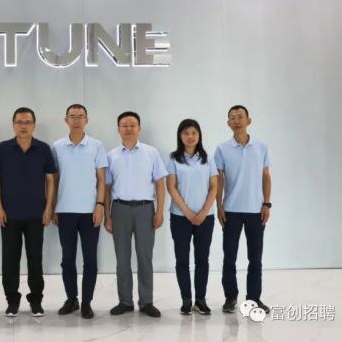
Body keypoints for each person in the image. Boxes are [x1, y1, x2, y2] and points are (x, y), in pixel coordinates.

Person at [0, 107, 56, 317]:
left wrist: (48, 208)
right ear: (13, 125)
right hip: (9, 215)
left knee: (35, 259)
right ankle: (12, 300)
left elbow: (51, 179)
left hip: (37, 215)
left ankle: (36, 300)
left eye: (27, 122)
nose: (23, 126)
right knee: (10, 259)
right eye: (19, 122)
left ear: (34, 125)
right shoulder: (3, 148)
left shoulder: (43, 149)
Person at [104, 111, 167, 318]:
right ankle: (125, 301)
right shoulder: (111, 156)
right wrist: (107, 215)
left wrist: (159, 211)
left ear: (139, 128)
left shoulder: (151, 153)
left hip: (145, 210)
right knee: (122, 259)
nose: (129, 128)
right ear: (118, 129)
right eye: (124, 125)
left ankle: (146, 301)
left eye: (132, 125)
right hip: (119, 209)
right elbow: (106, 188)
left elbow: (160, 183)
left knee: (145, 258)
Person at [51, 104, 107, 319]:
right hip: (65, 211)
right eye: (72, 116)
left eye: (80, 116)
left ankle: (86, 302)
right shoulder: (57, 146)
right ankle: (71, 299)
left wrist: (100, 205)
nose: (76, 120)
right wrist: (53, 207)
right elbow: (53, 180)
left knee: (90, 259)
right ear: (66, 120)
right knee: (67, 259)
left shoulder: (96, 145)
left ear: (87, 120)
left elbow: (101, 179)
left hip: (89, 212)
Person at [215, 105, 272, 314]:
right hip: (231, 210)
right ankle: (230, 297)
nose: (236, 121)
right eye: (232, 117)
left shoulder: (261, 146)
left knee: (255, 258)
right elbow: (219, 179)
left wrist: (266, 204)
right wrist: (219, 205)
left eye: (240, 117)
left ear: (249, 121)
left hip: (256, 211)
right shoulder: (222, 149)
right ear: (228, 123)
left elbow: (266, 176)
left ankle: (253, 299)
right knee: (229, 257)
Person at [166, 119, 217, 315]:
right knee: (182, 260)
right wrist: (187, 211)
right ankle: (186, 300)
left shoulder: (208, 158)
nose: (190, 136)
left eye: (194, 133)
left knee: (202, 259)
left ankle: (200, 300)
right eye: (186, 133)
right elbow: (171, 187)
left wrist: (203, 212)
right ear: (180, 136)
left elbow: (214, 187)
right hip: (180, 217)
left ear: (199, 135)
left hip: (206, 217)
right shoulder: (173, 159)